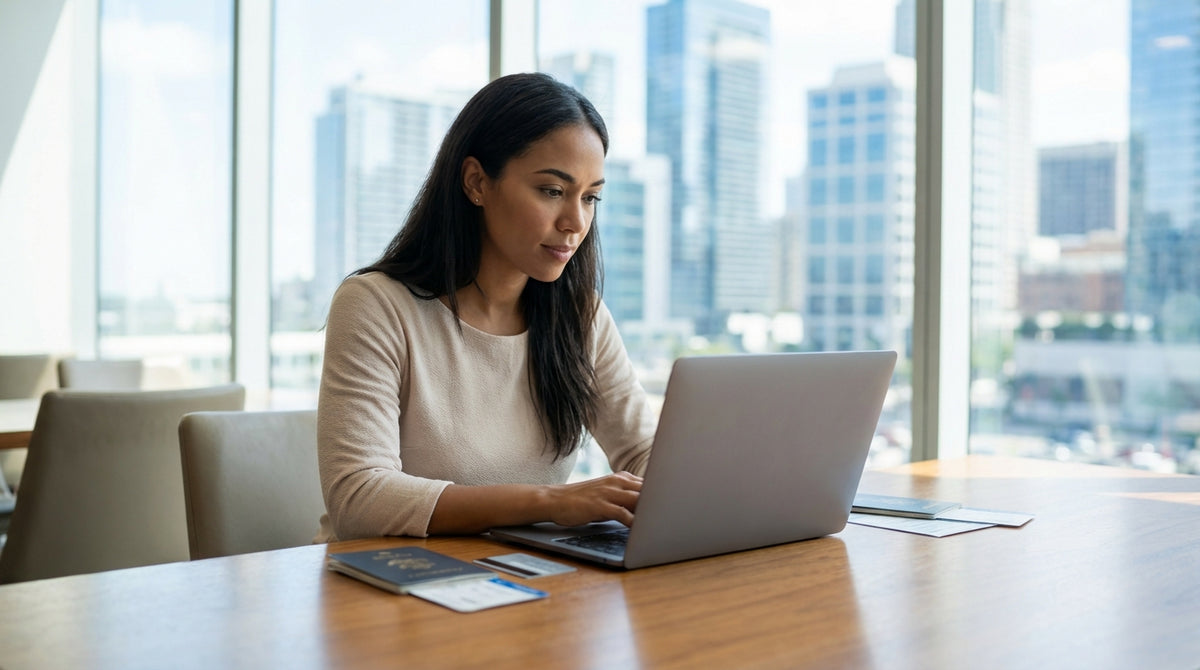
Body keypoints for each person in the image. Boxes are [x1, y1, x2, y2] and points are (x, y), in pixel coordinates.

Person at [315, 72, 658, 542]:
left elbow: (644, 451)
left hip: (520, 581)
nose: (575, 222)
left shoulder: (580, 317)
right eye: (552, 191)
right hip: (384, 588)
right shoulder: (376, 305)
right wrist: (551, 503)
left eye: (590, 197)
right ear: (477, 182)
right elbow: (360, 498)